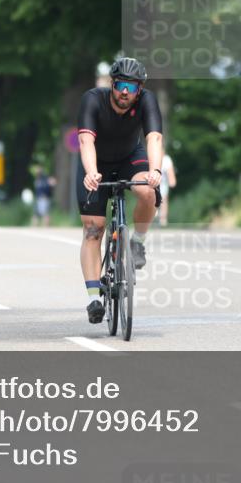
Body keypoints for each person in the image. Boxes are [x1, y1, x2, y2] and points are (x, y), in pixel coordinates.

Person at [77, 57, 163, 324]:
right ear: (112, 84)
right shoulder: (92, 99)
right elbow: (85, 140)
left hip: (129, 157)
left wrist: (156, 171)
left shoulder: (147, 101)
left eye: (133, 87)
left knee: (148, 192)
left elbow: (154, 138)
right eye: (121, 85)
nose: (126, 91)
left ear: (139, 90)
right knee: (94, 228)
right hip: (96, 162)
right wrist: (91, 171)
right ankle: (93, 297)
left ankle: (137, 243)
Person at [157, 152, 177, 227]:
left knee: (163, 199)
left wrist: (172, 180)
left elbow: (170, 172)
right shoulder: (149, 156)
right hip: (152, 183)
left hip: (163, 183)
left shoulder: (166, 159)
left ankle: (163, 219)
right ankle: (154, 215)